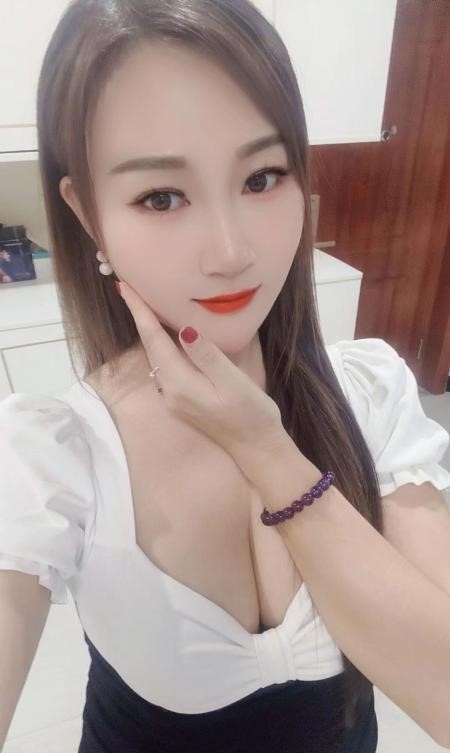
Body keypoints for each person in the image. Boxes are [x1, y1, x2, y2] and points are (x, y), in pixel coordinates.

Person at [1, 2, 450, 752]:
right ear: (87, 213)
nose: (231, 250)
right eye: (161, 196)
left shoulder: (369, 396)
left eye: (262, 176)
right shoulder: (54, 456)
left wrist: (267, 451)